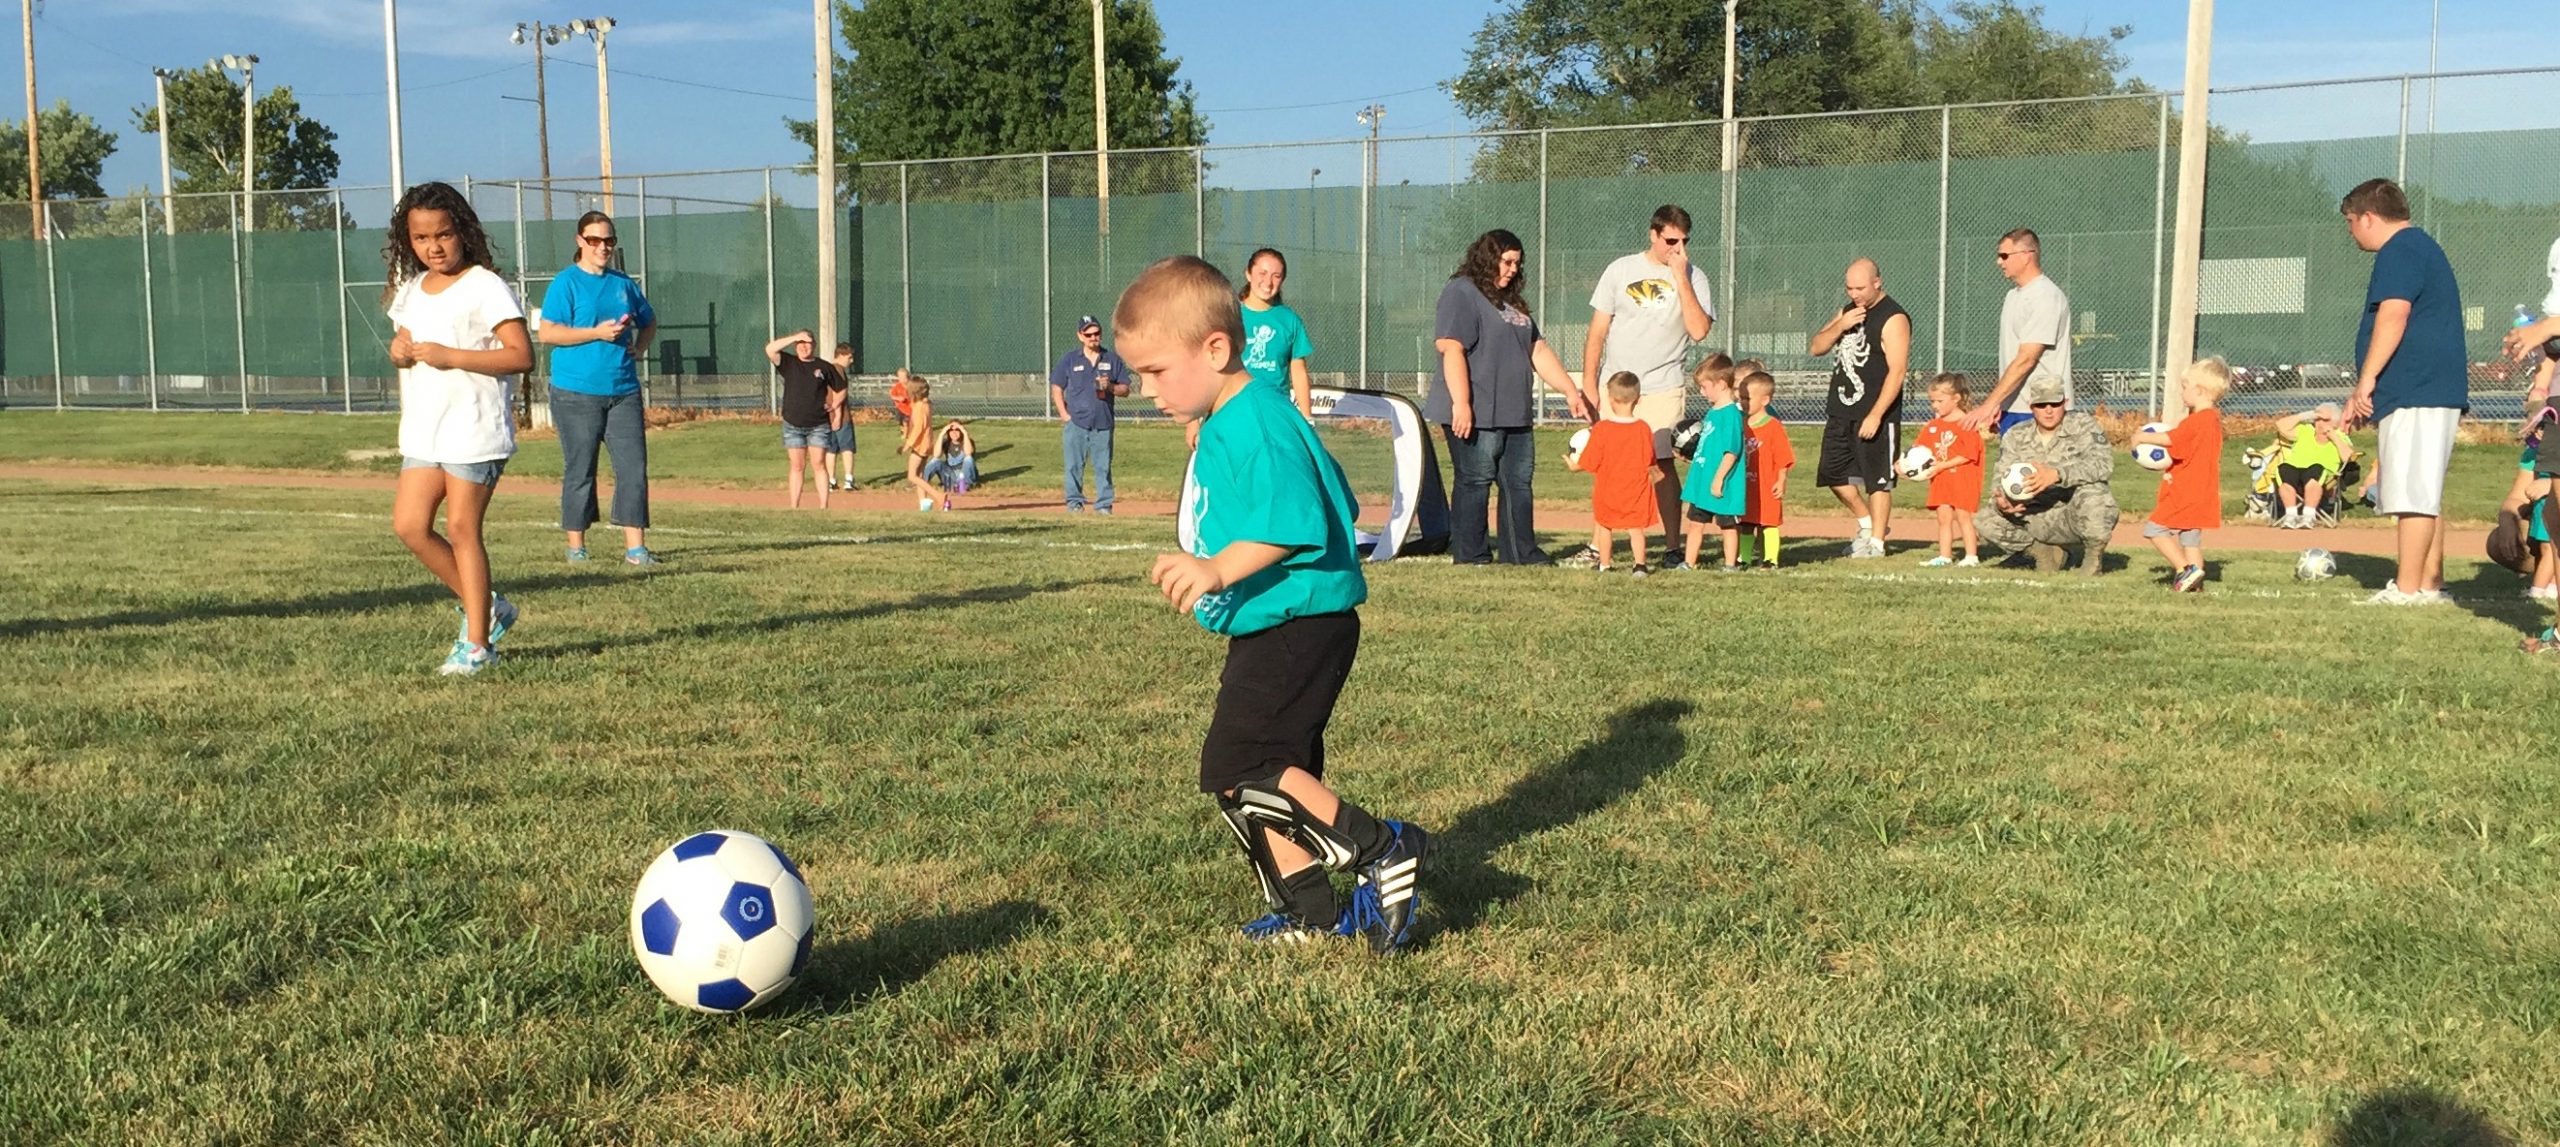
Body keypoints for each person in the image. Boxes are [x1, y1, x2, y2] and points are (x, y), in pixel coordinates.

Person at [1118, 254, 1430, 953]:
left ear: (1216, 349)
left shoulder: (1253, 417)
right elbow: (1339, 500)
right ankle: (1309, 910)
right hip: (1288, 621)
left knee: (1243, 764)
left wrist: (1216, 568)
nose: (1146, 388)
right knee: (1249, 777)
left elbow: (1300, 522)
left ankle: (1383, 848)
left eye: (1157, 370)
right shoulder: (1246, 414)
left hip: (1300, 623)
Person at [381, 181, 532, 676]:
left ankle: (477, 645)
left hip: (474, 428)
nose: (434, 247)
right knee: (409, 525)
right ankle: (487, 606)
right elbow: (402, 344)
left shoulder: (484, 285)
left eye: (443, 234)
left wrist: (451, 357)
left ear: (462, 232)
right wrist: (399, 353)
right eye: (422, 239)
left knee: (463, 529)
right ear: (409, 241)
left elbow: (520, 356)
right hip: (426, 429)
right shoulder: (411, 290)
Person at [1425, 229, 1594, 565]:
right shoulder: (1462, 292)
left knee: (1518, 482)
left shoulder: (1511, 301)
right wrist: (1461, 403)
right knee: (1475, 480)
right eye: (1507, 261)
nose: (1514, 269)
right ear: (1488, 258)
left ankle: (1520, 552)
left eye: (1518, 262)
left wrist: (1570, 391)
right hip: (1476, 409)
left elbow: (1538, 349)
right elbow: (1451, 348)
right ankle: (1471, 554)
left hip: (1514, 411)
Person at [2341, 179, 2468, 606]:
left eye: (2351, 222)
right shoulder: (2418, 247)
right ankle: (2429, 583)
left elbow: (2394, 315)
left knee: (2413, 492)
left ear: (2369, 217)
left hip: (2419, 388)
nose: (2351, 232)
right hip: (2419, 388)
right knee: (2424, 489)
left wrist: (2366, 379)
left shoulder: (2401, 249)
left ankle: (2409, 589)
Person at [1583, 205, 1716, 557]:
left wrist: (1681, 276)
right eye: (1671, 240)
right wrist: (1588, 383)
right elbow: (1597, 332)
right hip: (1617, 387)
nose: (1677, 248)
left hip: (1663, 386)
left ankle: (1673, 547)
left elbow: (1700, 330)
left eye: (1684, 241)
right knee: (1610, 466)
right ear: (1653, 234)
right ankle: (1599, 548)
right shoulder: (1620, 269)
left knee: (1660, 463)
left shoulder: (1695, 276)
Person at [538, 210, 660, 566]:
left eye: (609, 240)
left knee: (633, 467)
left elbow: (649, 322)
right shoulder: (566, 283)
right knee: (581, 468)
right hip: (575, 392)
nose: (603, 247)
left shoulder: (623, 284)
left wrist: (640, 347)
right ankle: (576, 546)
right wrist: (595, 333)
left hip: (623, 390)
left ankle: (635, 549)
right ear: (580, 241)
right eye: (594, 240)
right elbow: (547, 333)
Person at [1806, 257, 1911, 558]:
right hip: (1841, 410)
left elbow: (1898, 370)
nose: (1855, 294)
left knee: (1877, 479)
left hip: (1875, 412)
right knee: (1833, 475)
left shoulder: (1894, 317)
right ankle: (1867, 524)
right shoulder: (1849, 311)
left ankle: (1877, 542)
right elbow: (1816, 347)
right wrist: (1841, 324)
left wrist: (1876, 414)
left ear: (1878, 282)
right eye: (1850, 288)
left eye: (1861, 288)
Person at [1973, 377, 2120, 574]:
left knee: (2096, 493)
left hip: (2073, 513)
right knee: (1984, 519)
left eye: (2055, 403)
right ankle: (2043, 552)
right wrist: (2004, 502)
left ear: (2065, 403)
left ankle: (2093, 559)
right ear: (2031, 406)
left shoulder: (2082, 425)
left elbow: (2103, 465)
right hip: (2033, 515)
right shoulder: (2016, 435)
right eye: (2041, 405)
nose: (2048, 410)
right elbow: (2000, 479)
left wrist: (2058, 474)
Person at [2132, 358, 2229, 593]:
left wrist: (2143, 437)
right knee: (2190, 540)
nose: (2182, 392)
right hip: (2203, 491)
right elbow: (2188, 452)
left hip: (2186, 492)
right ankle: (2195, 586)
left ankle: (2185, 569)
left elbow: (2172, 440)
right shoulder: (2213, 420)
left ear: (2199, 390)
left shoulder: (2197, 421)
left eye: (2185, 387)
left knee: (2155, 530)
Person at [1964, 229, 2072, 437]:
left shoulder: (2045, 296)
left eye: (2004, 255)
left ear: (2027, 255)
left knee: (2036, 469)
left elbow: (2027, 358)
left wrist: (1988, 405)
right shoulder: (2013, 296)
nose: (1999, 262)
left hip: (2041, 409)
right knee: (2011, 469)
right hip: (2014, 409)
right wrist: (2001, 404)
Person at [1564, 372, 1662, 576]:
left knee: (1605, 525)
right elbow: (1648, 458)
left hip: (1608, 488)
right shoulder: (1643, 428)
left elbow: (1592, 459)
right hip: (1636, 488)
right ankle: (1640, 565)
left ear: (1610, 398)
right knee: (1635, 529)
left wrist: (1575, 466)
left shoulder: (1603, 429)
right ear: (1638, 399)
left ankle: (1605, 564)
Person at [1050, 314, 1131, 515]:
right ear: (1080, 336)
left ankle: (1104, 505)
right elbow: (1057, 387)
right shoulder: (1070, 360)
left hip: (1103, 422)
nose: (1093, 337)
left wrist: (1110, 386)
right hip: (1076, 422)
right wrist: (1064, 414)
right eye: (1089, 334)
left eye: (1097, 333)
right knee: (1073, 466)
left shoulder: (1111, 359)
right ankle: (1074, 503)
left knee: (1103, 467)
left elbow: (1126, 389)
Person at [1908, 373, 1984, 567]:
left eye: (1940, 401)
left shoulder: (1967, 424)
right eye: (1932, 401)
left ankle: (1971, 556)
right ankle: (1945, 555)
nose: (1935, 405)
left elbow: (1968, 455)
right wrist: (1905, 465)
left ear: (1956, 398)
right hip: (1941, 481)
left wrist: (1943, 465)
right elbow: (1919, 450)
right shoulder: (1933, 426)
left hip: (1962, 481)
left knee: (1963, 516)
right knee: (1943, 518)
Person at [1680, 367, 1748, 572]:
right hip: (1703, 481)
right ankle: (1689, 563)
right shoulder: (1712, 412)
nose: (1701, 392)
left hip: (1722, 481)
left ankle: (1730, 564)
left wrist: (1719, 479)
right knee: (1695, 523)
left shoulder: (1731, 415)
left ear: (1721, 384)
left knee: (1727, 525)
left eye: (1704, 387)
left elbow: (1731, 452)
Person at [766, 329, 844, 510]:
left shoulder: (824, 367)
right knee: (797, 466)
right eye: (800, 344)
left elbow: (841, 389)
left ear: (814, 346)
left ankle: (823, 505)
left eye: (807, 343)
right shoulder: (789, 363)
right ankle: (795, 506)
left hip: (818, 424)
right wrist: (795, 337)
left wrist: (835, 407)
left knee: (818, 464)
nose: (803, 347)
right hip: (793, 424)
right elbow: (770, 349)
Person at [1238, 248, 1315, 417]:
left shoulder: (1289, 320)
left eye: (1276, 276)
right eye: (1262, 273)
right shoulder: (1228, 315)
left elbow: (1298, 371)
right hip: (1235, 410)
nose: (1268, 282)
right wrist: (1194, 420)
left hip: (1276, 412)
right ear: (1248, 274)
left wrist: (1307, 418)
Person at [1738, 370, 1795, 569]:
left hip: (1766, 485)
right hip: (1746, 485)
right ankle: (1743, 558)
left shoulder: (1773, 426)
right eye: (1742, 397)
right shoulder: (1740, 424)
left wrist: (1781, 480)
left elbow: (1783, 457)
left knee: (1769, 522)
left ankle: (1770, 558)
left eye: (1748, 398)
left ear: (1765, 400)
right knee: (1745, 523)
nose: (1743, 402)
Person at [2269, 403, 2354, 529]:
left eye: (2325, 420)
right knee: (2284, 469)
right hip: (2295, 470)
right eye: (2317, 419)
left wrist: (2334, 437)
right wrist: (2309, 414)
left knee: (2315, 469)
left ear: (2335, 422)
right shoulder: (2306, 431)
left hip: (2322, 474)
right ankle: (2291, 516)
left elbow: (2349, 458)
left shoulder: (2340, 436)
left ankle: (2308, 516)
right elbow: (2280, 425)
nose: (2319, 423)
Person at [920, 421, 979, 511]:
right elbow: (936, 455)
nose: (954, 433)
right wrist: (941, 434)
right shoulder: (946, 443)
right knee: (935, 461)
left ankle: (963, 486)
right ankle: (921, 483)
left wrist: (964, 432)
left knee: (968, 459)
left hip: (964, 476)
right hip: (950, 476)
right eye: (951, 430)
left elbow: (968, 453)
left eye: (957, 430)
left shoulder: (967, 441)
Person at [901, 375, 938, 512]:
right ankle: (924, 505)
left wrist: (908, 444)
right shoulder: (925, 404)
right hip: (926, 443)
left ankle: (938, 495)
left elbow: (918, 428)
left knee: (912, 476)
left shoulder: (921, 407)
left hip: (920, 445)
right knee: (921, 475)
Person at [827, 342, 860, 490]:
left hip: (826, 416)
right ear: (840, 356)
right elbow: (839, 393)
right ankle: (848, 480)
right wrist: (838, 415)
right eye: (849, 357)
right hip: (840, 416)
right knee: (847, 447)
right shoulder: (838, 370)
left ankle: (831, 481)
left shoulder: (827, 369)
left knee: (830, 449)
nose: (851, 361)